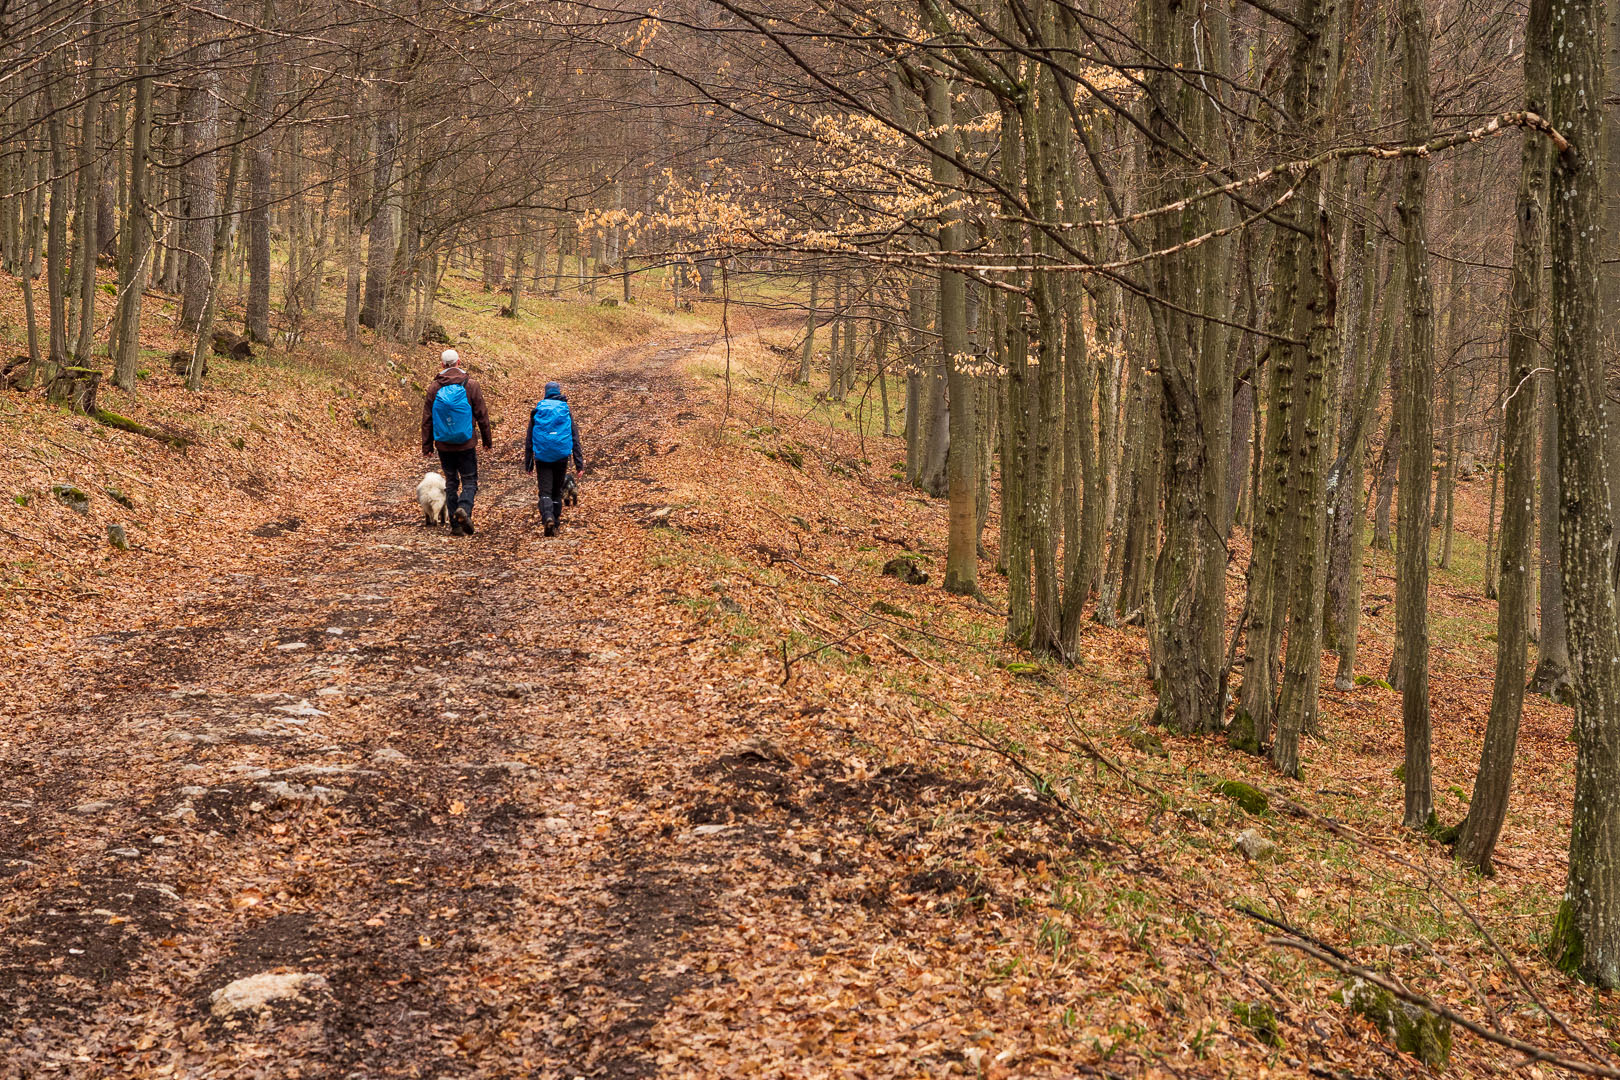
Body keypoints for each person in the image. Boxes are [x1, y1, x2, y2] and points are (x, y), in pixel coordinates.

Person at [421, 349, 492, 535]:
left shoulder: (434, 387)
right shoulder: (471, 385)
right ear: (459, 362)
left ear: (442, 364)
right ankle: (464, 509)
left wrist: (427, 445)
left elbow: (427, 419)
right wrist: (487, 440)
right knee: (469, 481)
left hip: (444, 444)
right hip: (466, 443)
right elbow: (482, 414)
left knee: (451, 482)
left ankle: (455, 525)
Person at [524, 381, 585, 537]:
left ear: (546, 393)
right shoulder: (565, 410)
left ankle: (548, 517)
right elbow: (574, 437)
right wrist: (579, 464)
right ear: (559, 392)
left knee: (545, 492)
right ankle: (555, 523)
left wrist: (529, 463)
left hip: (542, 457)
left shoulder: (538, 410)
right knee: (557, 492)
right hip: (561, 456)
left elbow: (529, 438)